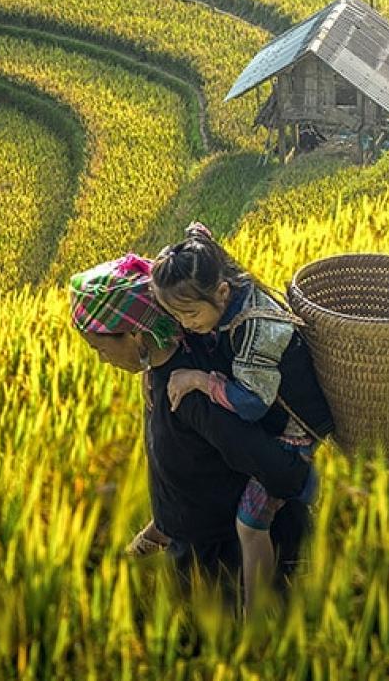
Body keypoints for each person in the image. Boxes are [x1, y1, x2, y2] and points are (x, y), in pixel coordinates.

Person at [68, 255, 315, 599]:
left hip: (219, 574)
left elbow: (277, 469)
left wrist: (298, 473)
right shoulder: (160, 373)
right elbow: (190, 472)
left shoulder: (189, 396)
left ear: (137, 335)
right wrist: (157, 531)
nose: (101, 358)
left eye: (100, 348)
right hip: (186, 551)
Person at [150, 223, 335, 612]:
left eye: (190, 313)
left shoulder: (257, 328)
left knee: (250, 525)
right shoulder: (222, 292)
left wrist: (200, 379)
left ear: (221, 292)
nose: (186, 325)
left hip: (294, 432)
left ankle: (256, 615)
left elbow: (252, 403)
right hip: (269, 413)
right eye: (176, 316)